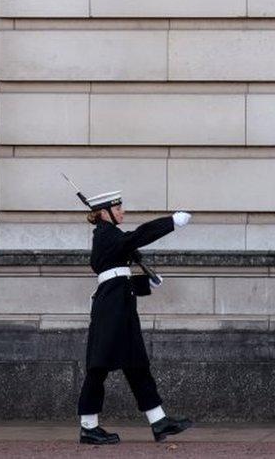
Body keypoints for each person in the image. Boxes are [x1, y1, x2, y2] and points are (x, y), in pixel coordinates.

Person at [76, 189, 194, 445]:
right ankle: (88, 426)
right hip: (111, 310)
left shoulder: (111, 236)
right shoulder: (106, 235)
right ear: (104, 214)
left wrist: (145, 284)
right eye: (117, 209)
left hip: (120, 307)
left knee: (137, 365)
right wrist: (171, 222)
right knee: (98, 368)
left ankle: (159, 421)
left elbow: (117, 276)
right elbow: (138, 237)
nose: (122, 211)